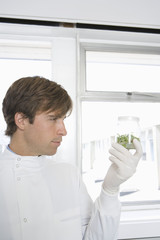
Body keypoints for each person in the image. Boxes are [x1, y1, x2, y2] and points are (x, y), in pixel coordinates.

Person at [0, 76, 142, 240]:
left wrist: (110, 190)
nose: (63, 131)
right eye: (53, 118)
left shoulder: (68, 174)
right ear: (22, 120)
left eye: (63, 120)